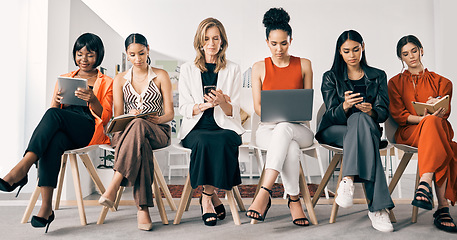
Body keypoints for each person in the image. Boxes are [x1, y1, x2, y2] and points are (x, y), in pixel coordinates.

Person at [0, 33, 113, 233]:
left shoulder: (106, 82)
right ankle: (46, 208)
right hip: (63, 124)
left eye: (89, 55)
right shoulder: (66, 78)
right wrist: (60, 101)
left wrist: (93, 99)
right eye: (79, 54)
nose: (83, 59)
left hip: (87, 127)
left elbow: (105, 118)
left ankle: (23, 167)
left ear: (99, 56)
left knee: (53, 116)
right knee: (53, 142)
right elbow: (53, 109)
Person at [315, 30, 394, 232]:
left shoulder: (378, 75)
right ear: (340, 52)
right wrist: (345, 107)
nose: (352, 55)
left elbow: (384, 112)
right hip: (335, 129)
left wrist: (372, 112)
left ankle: (348, 180)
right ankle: (378, 209)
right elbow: (331, 114)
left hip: (367, 129)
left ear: (363, 47)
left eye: (356, 49)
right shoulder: (330, 77)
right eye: (347, 51)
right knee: (360, 126)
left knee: (361, 119)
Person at [245, 8, 314, 227]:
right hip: (267, 130)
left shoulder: (304, 65)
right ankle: (294, 200)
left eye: (283, 43)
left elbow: (307, 104)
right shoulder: (258, 68)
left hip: (300, 129)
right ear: (267, 42)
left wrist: (286, 119)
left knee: (286, 128)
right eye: (274, 44)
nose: (279, 49)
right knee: (290, 148)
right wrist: (278, 117)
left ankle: (264, 192)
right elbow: (258, 107)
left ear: (290, 40)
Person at [98, 33, 173, 231]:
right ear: (127, 54)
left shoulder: (161, 75)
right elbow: (118, 116)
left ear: (148, 49)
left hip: (157, 130)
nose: (138, 59)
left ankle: (114, 184)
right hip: (126, 134)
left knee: (140, 125)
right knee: (140, 140)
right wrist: (131, 116)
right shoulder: (120, 79)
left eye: (141, 53)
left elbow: (170, 114)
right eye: (132, 55)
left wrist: (156, 118)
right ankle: (143, 209)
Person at [178, 17, 244, 226]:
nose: (211, 44)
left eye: (216, 38)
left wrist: (223, 102)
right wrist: (203, 106)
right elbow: (184, 108)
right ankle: (213, 197)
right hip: (197, 127)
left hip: (224, 125)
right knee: (205, 142)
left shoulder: (233, 69)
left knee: (225, 140)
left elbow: (235, 111)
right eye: (206, 39)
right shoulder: (188, 69)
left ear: (223, 41)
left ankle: (206, 197)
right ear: (199, 42)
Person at [388, 35, 457, 233]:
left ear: (421, 50)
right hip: (410, 132)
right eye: (405, 54)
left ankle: (424, 184)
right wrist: (424, 119)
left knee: (436, 125)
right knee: (437, 131)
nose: (411, 57)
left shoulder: (442, 82)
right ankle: (442, 208)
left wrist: (435, 110)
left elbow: (446, 113)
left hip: (436, 129)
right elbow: (399, 116)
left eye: (414, 51)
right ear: (401, 58)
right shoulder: (394, 83)